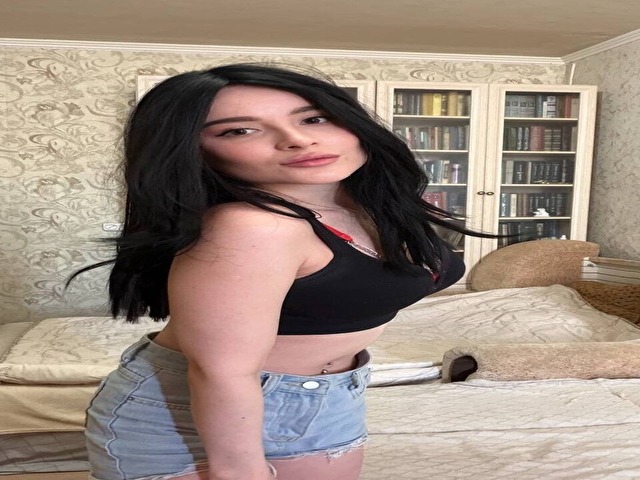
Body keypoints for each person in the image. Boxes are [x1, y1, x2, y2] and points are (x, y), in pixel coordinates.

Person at [72, 63, 480, 480]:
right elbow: (222, 370)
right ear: (194, 151)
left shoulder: (373, 206)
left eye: (314, 118)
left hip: (332, 394)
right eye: (239, 130)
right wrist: (238, 471)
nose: (297, 139)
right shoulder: (253, 225)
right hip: (208, 413)